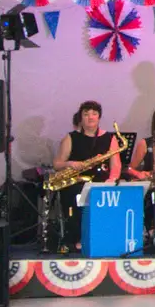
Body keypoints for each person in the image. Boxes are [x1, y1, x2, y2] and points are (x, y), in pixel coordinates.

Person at [51, 100, 124, 250]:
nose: (90, 117)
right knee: (77, 194)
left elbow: (116, 165)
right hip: (77, 182)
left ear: (99, 117)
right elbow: (57, 164)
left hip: (101, 182)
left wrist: (112, 179)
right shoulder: (71, 138)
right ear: (81, 118)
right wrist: (70, 163)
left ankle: (109, 236)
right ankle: (78, 237)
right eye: (86, 114)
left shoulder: (110, 138)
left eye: (94, 114)